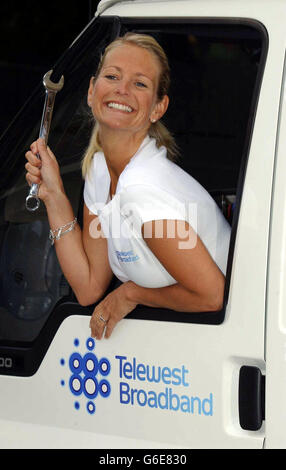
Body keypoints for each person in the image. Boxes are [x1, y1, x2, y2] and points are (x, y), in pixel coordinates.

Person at [25, 33, 231, 340]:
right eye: (112, 76)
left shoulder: (143, 192)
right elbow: (89, 286)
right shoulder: (99, 171)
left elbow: (213, 295)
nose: (122, 89)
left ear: (158, 108)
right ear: (92, 91)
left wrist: (131, 294)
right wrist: (53, 194)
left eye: (140, 83)